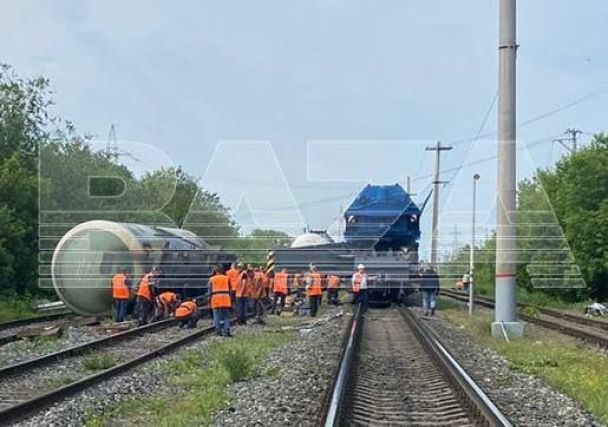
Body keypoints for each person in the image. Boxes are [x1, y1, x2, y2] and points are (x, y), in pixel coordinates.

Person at [209, 265, 232, 337]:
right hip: (225, 299)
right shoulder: (227, 278)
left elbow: (209, 291)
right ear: (222, 270)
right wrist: (230, 298)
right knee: (226, 316)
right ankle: (226, 331)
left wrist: (209, 299)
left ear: (215, 271)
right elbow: (230, 289)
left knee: (216, 316)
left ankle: (218, 331)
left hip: (215, 299)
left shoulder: (211, 279)